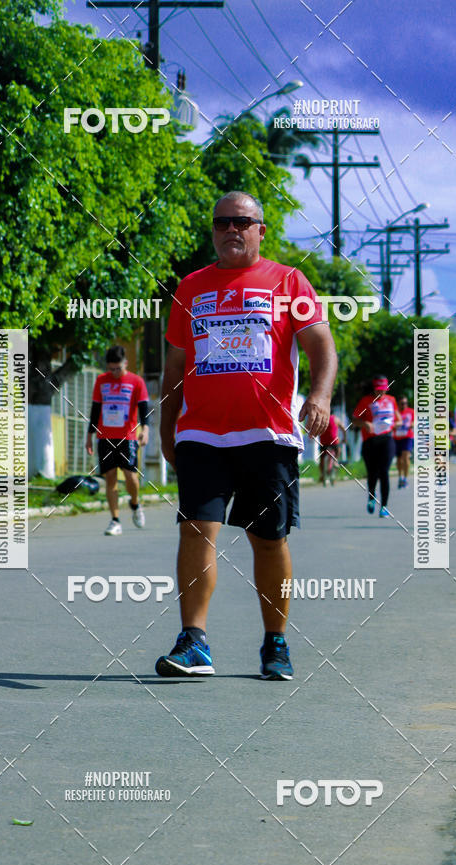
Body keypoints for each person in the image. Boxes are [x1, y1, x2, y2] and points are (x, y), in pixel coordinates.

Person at [156, 190, 337, 680]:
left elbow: (322, 346)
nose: (231, 229)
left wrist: (317, 399)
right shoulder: (190, 288)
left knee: (268, 540)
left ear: (261, 230)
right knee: (195, 529)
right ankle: (194, 642)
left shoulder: (288, 281)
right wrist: (166, 423)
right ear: (212, 231)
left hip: (268, 434)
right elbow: (175, 367)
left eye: (242, 221)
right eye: (221, 223)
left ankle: (275, 643)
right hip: (202, 434)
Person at [85, 346, 150, 535]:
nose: (114, 373)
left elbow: (144, 408)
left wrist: (145, 429)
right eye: (111, 369)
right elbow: (95, 410)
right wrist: (89, 436)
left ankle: (135, 504)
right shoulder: (101, 381)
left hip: (127, 436)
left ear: (125, 364)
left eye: (118, 369)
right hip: (105, 436)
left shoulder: (136, 382)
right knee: (110, 477)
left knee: (131, 476)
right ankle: (115, 520)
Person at [352, 376, 402, 518]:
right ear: (374, 388)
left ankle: (384, 507)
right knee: (372, 473)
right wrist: (364, 424)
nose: (381, 393)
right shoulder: (365, 401)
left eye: (384, 390)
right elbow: (354, 419)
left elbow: (398, 420)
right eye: (379, 390)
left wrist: (391, 424)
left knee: (384, 472)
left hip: (386, 439)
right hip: (370, 440)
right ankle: (371, 497)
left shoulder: (391, 400)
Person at [318, 413, 346, 485]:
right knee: (338, 450)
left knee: (322, 458)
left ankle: (322, 474)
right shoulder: (336, 419)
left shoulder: (321, 419)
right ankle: (336, 461)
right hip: (333, 441)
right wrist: (344, 438)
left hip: (323, 442)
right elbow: (343, 429)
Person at [394, 395, 415, 488]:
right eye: (402, 403)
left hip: (407, 437)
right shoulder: (395, 412)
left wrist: (412, 424)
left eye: (406, 403)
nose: (404, 405)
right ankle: (400, 477)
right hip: (396, 438)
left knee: (406, 457)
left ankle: (405, 479)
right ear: (398, 404)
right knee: (399, 460)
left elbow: (415, 421)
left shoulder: (411, 411)